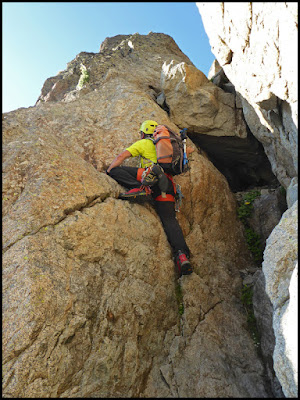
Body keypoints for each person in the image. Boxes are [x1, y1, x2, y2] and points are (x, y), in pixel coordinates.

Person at [106, 120, 193, 276]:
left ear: (143, 133)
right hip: (167, 187)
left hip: (149, 178)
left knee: (116, 171)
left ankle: (141, 189)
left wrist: (109, 170)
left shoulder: (144, 143)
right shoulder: (169, 149)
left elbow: (122, 156)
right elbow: (188, 152)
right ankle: (182, 256)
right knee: (169, 220)